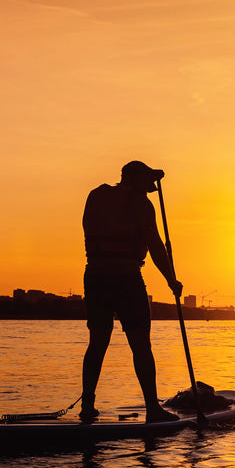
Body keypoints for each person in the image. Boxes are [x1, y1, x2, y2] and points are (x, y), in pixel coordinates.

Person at [81, 161, 183, 423]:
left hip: (95, 277)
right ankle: (153, 408)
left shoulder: (96, 196)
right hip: (126, 278)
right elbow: (156, 246)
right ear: (135, 178)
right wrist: (172, 280)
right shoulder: (141, 204)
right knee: (141, 344)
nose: (151, 188)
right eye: (148, 181)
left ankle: (87, 406)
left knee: (97, 343)